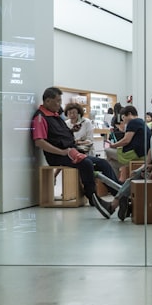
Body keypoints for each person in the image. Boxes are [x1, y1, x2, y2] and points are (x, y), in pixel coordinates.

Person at [31, 87, 118, 218]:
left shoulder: (55, 116)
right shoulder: (40, 118)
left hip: (71, 151)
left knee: (102, 163)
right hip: (57, 156)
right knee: (86, 163)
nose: (59, 105)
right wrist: (61, 152)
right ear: (47, 101)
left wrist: (72, 136)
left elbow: (60, 135)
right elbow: (39, 142)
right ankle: (93, 197)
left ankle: (119, 194)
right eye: (58, 101)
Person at [105, 105, 150, 181]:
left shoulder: (133, 122)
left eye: (123, 118)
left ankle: (113, 184)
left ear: (129, 114)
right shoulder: (141, 122)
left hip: (135, 153)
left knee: (107, 151)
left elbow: (126, 140)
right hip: (144, 154)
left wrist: (113, 145)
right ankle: (115, 184)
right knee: (112, 163)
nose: (123, 121)